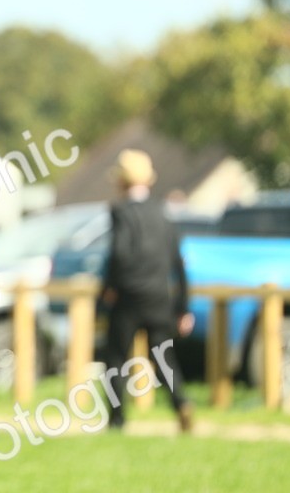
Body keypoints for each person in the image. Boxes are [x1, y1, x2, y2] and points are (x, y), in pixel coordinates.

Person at [100, 149, 194, 432]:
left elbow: (117, 254)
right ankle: (181, 403)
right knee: (163, 356)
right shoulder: (163, 214)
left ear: (121, 182)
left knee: (116, 358)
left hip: (128, 298)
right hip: (158, 298)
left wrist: (109, 288)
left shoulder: (120, 212)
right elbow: (179, 263)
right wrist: (183, 307)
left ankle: (117, 418)